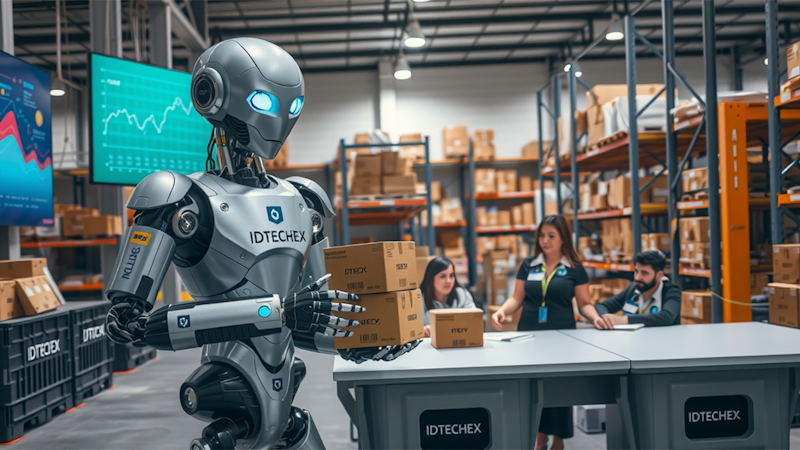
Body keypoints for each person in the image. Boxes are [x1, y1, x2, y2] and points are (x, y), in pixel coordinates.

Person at [491, 215, 603, 450]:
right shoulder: (528, 264)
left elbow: (584, 303)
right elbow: (516, 298)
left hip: (562, 337)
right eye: (542, 235)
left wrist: (596, 318)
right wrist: (502, 311)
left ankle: (559, 440)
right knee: (533, 386)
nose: (545, 240)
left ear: (563, 238)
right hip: (529, 335)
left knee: (559, 388)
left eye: (551, 236)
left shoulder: (575, 268)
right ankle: (540, 437)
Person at [594, 250, 681, 328]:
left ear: (659, 275)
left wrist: (624, 320)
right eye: (636, 271)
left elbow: (666, 317)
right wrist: (606, 318)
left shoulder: (671, 291)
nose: (637, 277)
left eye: (644, 273)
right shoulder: (633, 288)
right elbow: (602, 306)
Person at [420, 256, 476, 337]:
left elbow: (473, 320)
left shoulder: (462, 294)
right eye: (443, 276)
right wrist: (421, 330)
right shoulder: (418, 299)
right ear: (431, 278)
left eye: (451, 275)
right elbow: (408, 328)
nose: (448, 281)